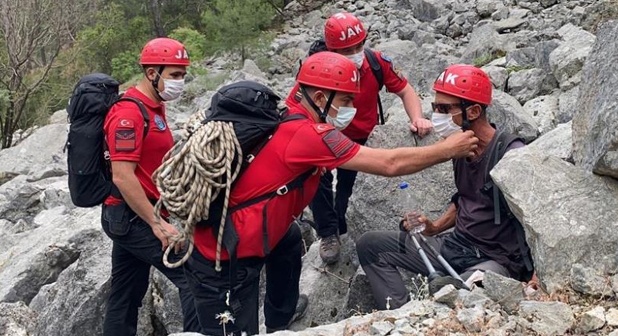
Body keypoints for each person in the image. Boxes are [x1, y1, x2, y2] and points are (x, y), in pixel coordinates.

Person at [185, 52, 479, 336]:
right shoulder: (309, 135)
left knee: (288, 240)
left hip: (254, 236)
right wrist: (446, 150)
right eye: (346, 100)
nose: (351, 106)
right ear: (321, 98)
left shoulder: (291, 111)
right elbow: (389, 164)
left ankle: (279, 320)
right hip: (223, 259)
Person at [356, 64, 536, 310]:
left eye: (444, 109)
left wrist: (537, 275)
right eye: (434, 107)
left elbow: (538, 218)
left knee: (456, 297)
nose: (436, 116)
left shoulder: (511, 154)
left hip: (496, 260)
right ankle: (401, 317)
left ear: (472, 111)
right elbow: (465, 198)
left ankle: (425, 315)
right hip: (455, 246)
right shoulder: (459, 147)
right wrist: (434, 227)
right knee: (371, 245)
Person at [285, 12, 434, 264]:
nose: (355, 53)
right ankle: (328, 233)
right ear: (331, 50)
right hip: (324, 137)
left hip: (360, 139)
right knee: (317, 183)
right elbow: (294, 110)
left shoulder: (375, 63)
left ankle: (343, 224)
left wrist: (417, 117)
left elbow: (405, 90)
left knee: (347, 192)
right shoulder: (319, 70)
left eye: (359, 46)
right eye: (347, 50)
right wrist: (310, 147)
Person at [101, 37, 200, 335]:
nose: (180, 82)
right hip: (133, 217)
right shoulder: (129, 115)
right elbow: (122, 175)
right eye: (174, 75)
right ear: (151, 73)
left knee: (126, 292)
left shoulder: (154, 107)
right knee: (195, 279)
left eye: (183, 75)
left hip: (132, 214)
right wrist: (157, 223)